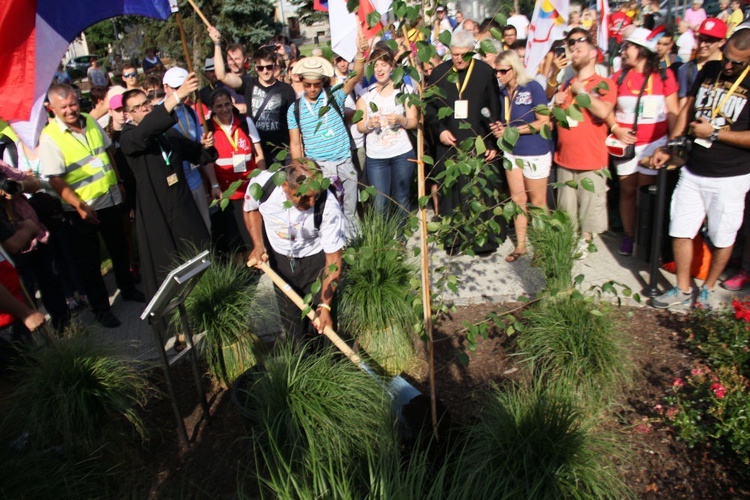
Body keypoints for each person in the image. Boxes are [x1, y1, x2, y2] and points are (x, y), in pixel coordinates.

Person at [650, 29, 750, 310]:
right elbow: (687, 108)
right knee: (680, 229)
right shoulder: (712, 69)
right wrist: (671, 145)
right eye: (727, 58)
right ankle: (682, 287)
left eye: (737, 63)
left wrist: (715, 134)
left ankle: (706, 289)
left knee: (722, 236)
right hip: (694, 169)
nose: (728, 66)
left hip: (730, 176)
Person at [39, 84, 144, 328]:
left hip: (109, 198)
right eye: (63, 107)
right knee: (90, 261)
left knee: (119, 247)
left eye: (73, 104)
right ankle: (101, 308)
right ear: (51, 108)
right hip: (82, 208)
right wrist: (79, 206)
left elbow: (107, 152)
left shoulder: (89, 120)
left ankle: (127, 288)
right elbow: (55, 179)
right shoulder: (50, 137)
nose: (70, 110)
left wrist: (118, 180)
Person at [119, 74, 218, 300]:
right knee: (167, 263)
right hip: (156, 210)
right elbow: (144, 134)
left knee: (197, 248)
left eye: (146, 103)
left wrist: (206, 146)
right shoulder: (128, 138)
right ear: (127, 115)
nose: (144, 109)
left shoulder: (167, 132)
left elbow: (194, 152)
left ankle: (206, 299)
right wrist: (176, 96)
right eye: (137, 107)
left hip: (181, 201)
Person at [244, 159, 345, 342]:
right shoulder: (263, 186)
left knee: (322, 327)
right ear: (284, 186)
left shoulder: (328, 205)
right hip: (280, 262)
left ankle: (329, 365)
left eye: (315, 195)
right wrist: (258, 244)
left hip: (316, 263)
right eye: (304, 197)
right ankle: (302, 365)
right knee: (292, 326)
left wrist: (325, 306)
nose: (312, 202)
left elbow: (333, 259)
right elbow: (251, 210)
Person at [425, 29, 502, 255]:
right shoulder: (439, 72)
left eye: (463, 54)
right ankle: (454, 240)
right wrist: (439, 130)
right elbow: (429, 108)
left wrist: (491, 143)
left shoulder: (485, 72)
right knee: (450, 193)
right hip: (449, 141)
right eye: (454, 54)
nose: (458, 59)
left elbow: (493, 109)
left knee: (478, 191)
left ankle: (482, 241)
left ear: (472, 51)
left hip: (477, 141)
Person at [607, 28, 679, 257]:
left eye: (627, 46)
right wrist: (616, 128)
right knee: (627, 190)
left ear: (642, 50)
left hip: (655, 143)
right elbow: (607, 108)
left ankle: (645, 238)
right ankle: (629, 235)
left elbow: (674, 111)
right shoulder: (618, 76)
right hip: (627, 145)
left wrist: (671, 144)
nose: (623, 51)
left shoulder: (664, 76)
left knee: (645, 190)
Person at [287, 38, 368, 239]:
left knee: (350, 207)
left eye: (316, 84)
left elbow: (355, 76)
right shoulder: (294, 109)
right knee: (326, 210)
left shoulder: (334, 96)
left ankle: (354, 244)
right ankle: (331, 245)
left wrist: (359, 54)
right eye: (308, 85)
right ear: (301, 83)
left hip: (343, 161)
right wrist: (301, 170)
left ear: (322, 81)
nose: (312, 89)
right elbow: (295, 143)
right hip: (318, 167)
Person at [552, 38, 617, 259]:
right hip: (565, 158)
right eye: (573, 50)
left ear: (593, 55)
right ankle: (568, 240)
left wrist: (582, 93)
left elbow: (603, 112)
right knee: (565, 209)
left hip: (591, 159)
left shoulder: (603, 83)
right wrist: (556, 102)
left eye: (579, 50)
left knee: (590, 208)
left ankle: (586, 240)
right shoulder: (565, 83)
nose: (573, 53)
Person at [489, 50, 553, 263]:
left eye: (502, 71)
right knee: (518, 200)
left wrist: (515, 130)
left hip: (534, 151)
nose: (498, 75)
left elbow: (544, 121)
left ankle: (544, 247)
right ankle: (522, 245)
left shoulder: (533, 87)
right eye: (496, 71)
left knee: (537, 202)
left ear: (514, 69)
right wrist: (502, 128)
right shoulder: (502, 93)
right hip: (512, 151)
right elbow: (508, 121)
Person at [210, 28, 297, 161]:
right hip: (257, 150)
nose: (265, 71)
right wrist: (217, 45)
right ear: (255, 68)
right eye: (261, 68)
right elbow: (221, 75)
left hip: (282, 151)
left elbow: (294, 124)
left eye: (269, 67)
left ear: (274, 66)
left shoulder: (286, 90)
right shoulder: (249, 84)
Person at [355, 47, 418, 215]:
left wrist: (400, 120)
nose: (379, 69)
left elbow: (414, 121)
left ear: (392, 67)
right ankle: (383, 238)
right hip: (376, 157)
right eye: (375, 65)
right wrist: (370, 124)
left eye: (383, 65)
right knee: (380, 201)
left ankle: (402, 238)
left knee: (402, 197)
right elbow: (360, 126)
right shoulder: (365, 94)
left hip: (402, 153)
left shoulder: (404, 90)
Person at [207, 87, 265, 254]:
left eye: (227, 104)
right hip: (226, 190)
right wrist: (214, 185)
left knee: (253, 228)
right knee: (234, 233)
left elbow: (258, 152)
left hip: (249, 186)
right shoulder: (208, 129)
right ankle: (243, 267)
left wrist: (262, 179)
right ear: (212, 108)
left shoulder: (245, 122)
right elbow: (208, 160)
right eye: (219, 106)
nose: (224, 109)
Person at [162, 67, 218, 231]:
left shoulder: (190, 111)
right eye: (176, 88)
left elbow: (201, 152)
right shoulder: (158, 113)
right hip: (175, 185)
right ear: (165, 87)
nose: (182, 92)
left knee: (205, 226)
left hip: (195, 181)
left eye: (184, 87)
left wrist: (213, 184)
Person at [677, 18, 728, 108]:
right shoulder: (686, 69)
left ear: (721, 42)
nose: (702, 45)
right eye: (700, 39)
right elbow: (683, 106)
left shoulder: (728, 67)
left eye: (709, 41)